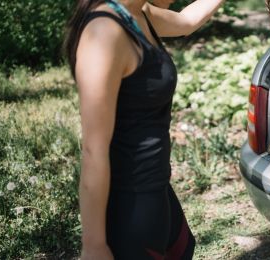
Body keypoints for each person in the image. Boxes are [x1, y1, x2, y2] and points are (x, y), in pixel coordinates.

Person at [64, 0, 225, 259]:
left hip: (158, 189)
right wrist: (93, 245)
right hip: (130, 203)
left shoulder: (139, 13)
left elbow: (187, 21)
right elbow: (94, 150)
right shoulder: (104, 31)